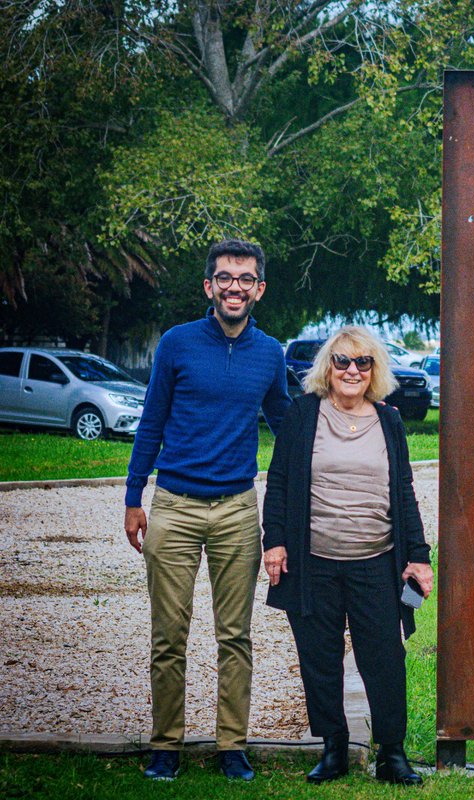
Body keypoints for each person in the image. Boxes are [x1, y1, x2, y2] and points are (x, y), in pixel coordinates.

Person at [123, 239, 290, 781]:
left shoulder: (270, 353)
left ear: (259, 289)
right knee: (168, 636)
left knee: (234, 637)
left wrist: (352, 415)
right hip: (173, 505)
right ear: (209, 286)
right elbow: (151, 422)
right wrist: (133, 497)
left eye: (245, 278)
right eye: (225, 277)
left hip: (238, 511)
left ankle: (231, 746)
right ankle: (165, 746)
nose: (234, 286)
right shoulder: (176, 344)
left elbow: (287, 422)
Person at [261, 326, 433, 785]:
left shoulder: (389, 420)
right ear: (327, 367)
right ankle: (334, 747)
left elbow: (404, 492)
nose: (352, 370)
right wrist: (274, 541)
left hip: (376, 561)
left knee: (384, 658)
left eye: (363, 362)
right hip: (313, 561)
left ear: (375, 369)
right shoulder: (302, 415)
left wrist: (418, 555)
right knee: (319, 657)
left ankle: (391, 755)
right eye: (342, 361)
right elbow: (278, 481)